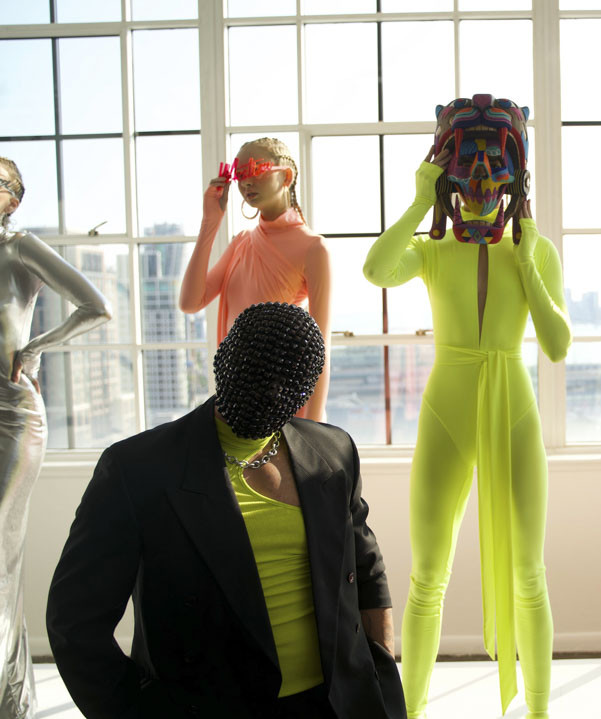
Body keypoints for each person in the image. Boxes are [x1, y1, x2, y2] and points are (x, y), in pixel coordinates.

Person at [46, 302, 404, 719]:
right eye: (258, 373)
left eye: (285, 380)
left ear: (305, 388)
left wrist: (381, 681)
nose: (270, 391)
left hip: (338, 704)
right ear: (225, 360)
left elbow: (367, 573)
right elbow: (75, 623)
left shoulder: (334, 451)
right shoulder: (137, 469)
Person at [363, 94, 571, 719]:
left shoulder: (535, 250)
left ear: (513, 177)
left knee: (530, 575)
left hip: (512, 405)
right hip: (448, 409)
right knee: (427, 577)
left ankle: (538, 712)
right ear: (448, 175)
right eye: (466, 171)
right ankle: (412, 711)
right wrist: (418, 200)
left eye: (493, 171)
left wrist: (528, 256)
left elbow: (557, 346)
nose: (480, 183)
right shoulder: (431, 250)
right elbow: (376, 269)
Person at [0, 156, 112, 719]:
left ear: (13, 200)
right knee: (4, 562)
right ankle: (11, 698)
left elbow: (98, 307)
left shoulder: (21, 247)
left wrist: (36, 347)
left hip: (11, 415)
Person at [179, 137, 332, 421]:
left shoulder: (313, 248)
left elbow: (320, 348)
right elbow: (190, 302)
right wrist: (210, 221)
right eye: (240, 174)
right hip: (236, 397)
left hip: (285, 398)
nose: (247, 182)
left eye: (256, 170)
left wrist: (313, 429)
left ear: (286, 176)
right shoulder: (242, 242)